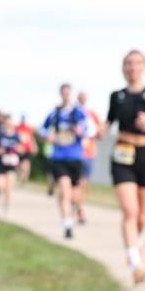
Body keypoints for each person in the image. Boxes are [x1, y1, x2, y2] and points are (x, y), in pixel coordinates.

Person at [103, 50, 145, 284]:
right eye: (128, 63)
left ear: (144, 67)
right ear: (124, 68)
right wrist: (98, 132)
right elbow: (108, 122)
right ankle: (135, 262)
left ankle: (136, 243)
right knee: (130, 211)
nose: (132, 67)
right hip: (122, 154)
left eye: (137, 63)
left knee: (142, 215)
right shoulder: (117, 96)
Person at [41, 84, 88, 239]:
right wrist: (49, 136)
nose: (66, 95)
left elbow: (89, 130)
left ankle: (75, 209)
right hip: (59, 157)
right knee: (64, 190)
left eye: (68, 93)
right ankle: (67, 224)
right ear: (61, 94)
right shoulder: (54, 113)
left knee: (74, 194)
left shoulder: (78, 113)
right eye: (64, 93)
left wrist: (80, 132)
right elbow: (42, 129)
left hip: (75, 157)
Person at [76, 91, 103, 225]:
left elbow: (101, 132)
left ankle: (80, 207)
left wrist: (97, 133)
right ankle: (77, 206)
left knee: (84, 183)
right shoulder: (73, 114)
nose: (82, 100)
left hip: (89, 153)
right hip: (74, 153)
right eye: (80, 98)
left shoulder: (92, 114)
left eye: (84, 98)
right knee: (75, 183)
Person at [0, 114, 24, 213]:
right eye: (7, 122)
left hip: (12, 164)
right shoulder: (0, 135)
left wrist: (18, 149)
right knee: (1, 186)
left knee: (9, 185)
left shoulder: (16, 135)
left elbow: (22, 149)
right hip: (1, 163)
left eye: (10, 122)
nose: (9, 124)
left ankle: (6, 206)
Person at [14, 114, 38, 184]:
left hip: (27, 150)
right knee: (19, 166)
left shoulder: (29, 128)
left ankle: (25, 180)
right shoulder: (16, 128)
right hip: (19, 150)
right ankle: (19, 177)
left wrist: (34, 146)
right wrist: (17, 146)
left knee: (27, 165)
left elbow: (32, 138)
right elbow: (13, 138)